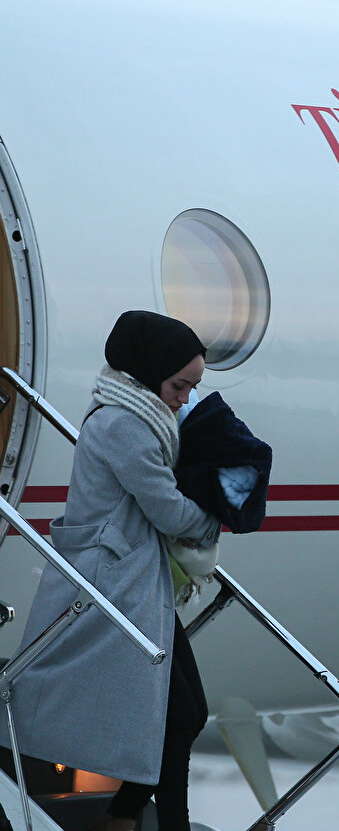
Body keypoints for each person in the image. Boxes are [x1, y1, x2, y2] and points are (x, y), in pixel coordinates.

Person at [10, 310, 221, 831]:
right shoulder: (124, 426)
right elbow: (168, 511)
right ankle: (141, 821)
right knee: (178, 715)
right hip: (117, 589)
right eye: (179, 385)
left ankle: (124, 818)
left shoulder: (132, 414)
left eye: (191, 387)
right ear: (150, 371)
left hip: (137, 586)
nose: (184, 399)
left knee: (186, 712)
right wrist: (216, 520)